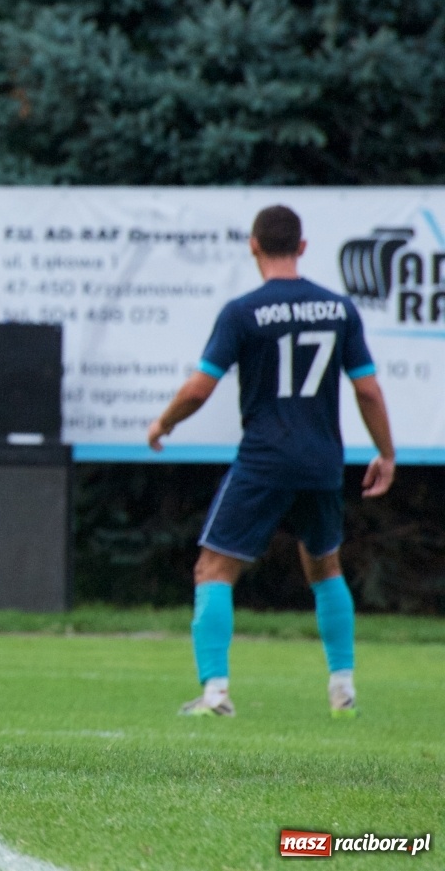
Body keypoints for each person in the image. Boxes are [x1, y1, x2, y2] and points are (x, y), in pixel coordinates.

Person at [147, 205, 395, 719]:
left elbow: (200, 387)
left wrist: (164, 423)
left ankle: (215, 694)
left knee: (213, 568)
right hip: (323, 460)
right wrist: (386, 453)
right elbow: (367, 390)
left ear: (253, 245)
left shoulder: (243, 312)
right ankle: (342, 690)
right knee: (326, 568)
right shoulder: (339, 309)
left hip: (265, 459)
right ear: (302, 247)